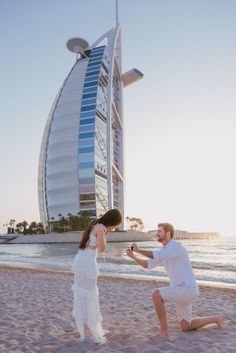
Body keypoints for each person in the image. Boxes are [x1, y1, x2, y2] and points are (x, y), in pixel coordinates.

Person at [126, 222, 224, 338]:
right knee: (186, 327)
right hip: (180, 291)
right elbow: (147, 265)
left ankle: (164, 332)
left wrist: (138, 250)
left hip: (188, 289)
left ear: (168, 233)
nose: (157, 233)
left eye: (160, 231)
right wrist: (134, 257)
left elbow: (155, 255)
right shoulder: (164, 251)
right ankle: (216, 319)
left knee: (156, 295)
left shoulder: (177, 247)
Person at [72, 208, 122, 343]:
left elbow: (94, 244)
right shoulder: (100, 228)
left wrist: (107, 232)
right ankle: (88, 328)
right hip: (87, 262)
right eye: (115, 224)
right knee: (89, 294)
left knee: (82, 293)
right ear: (112, 221)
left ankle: (85, 327)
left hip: (82, 259)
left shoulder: (95, 224)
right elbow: (102, 248)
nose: (114, 227)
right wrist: (105, 233)